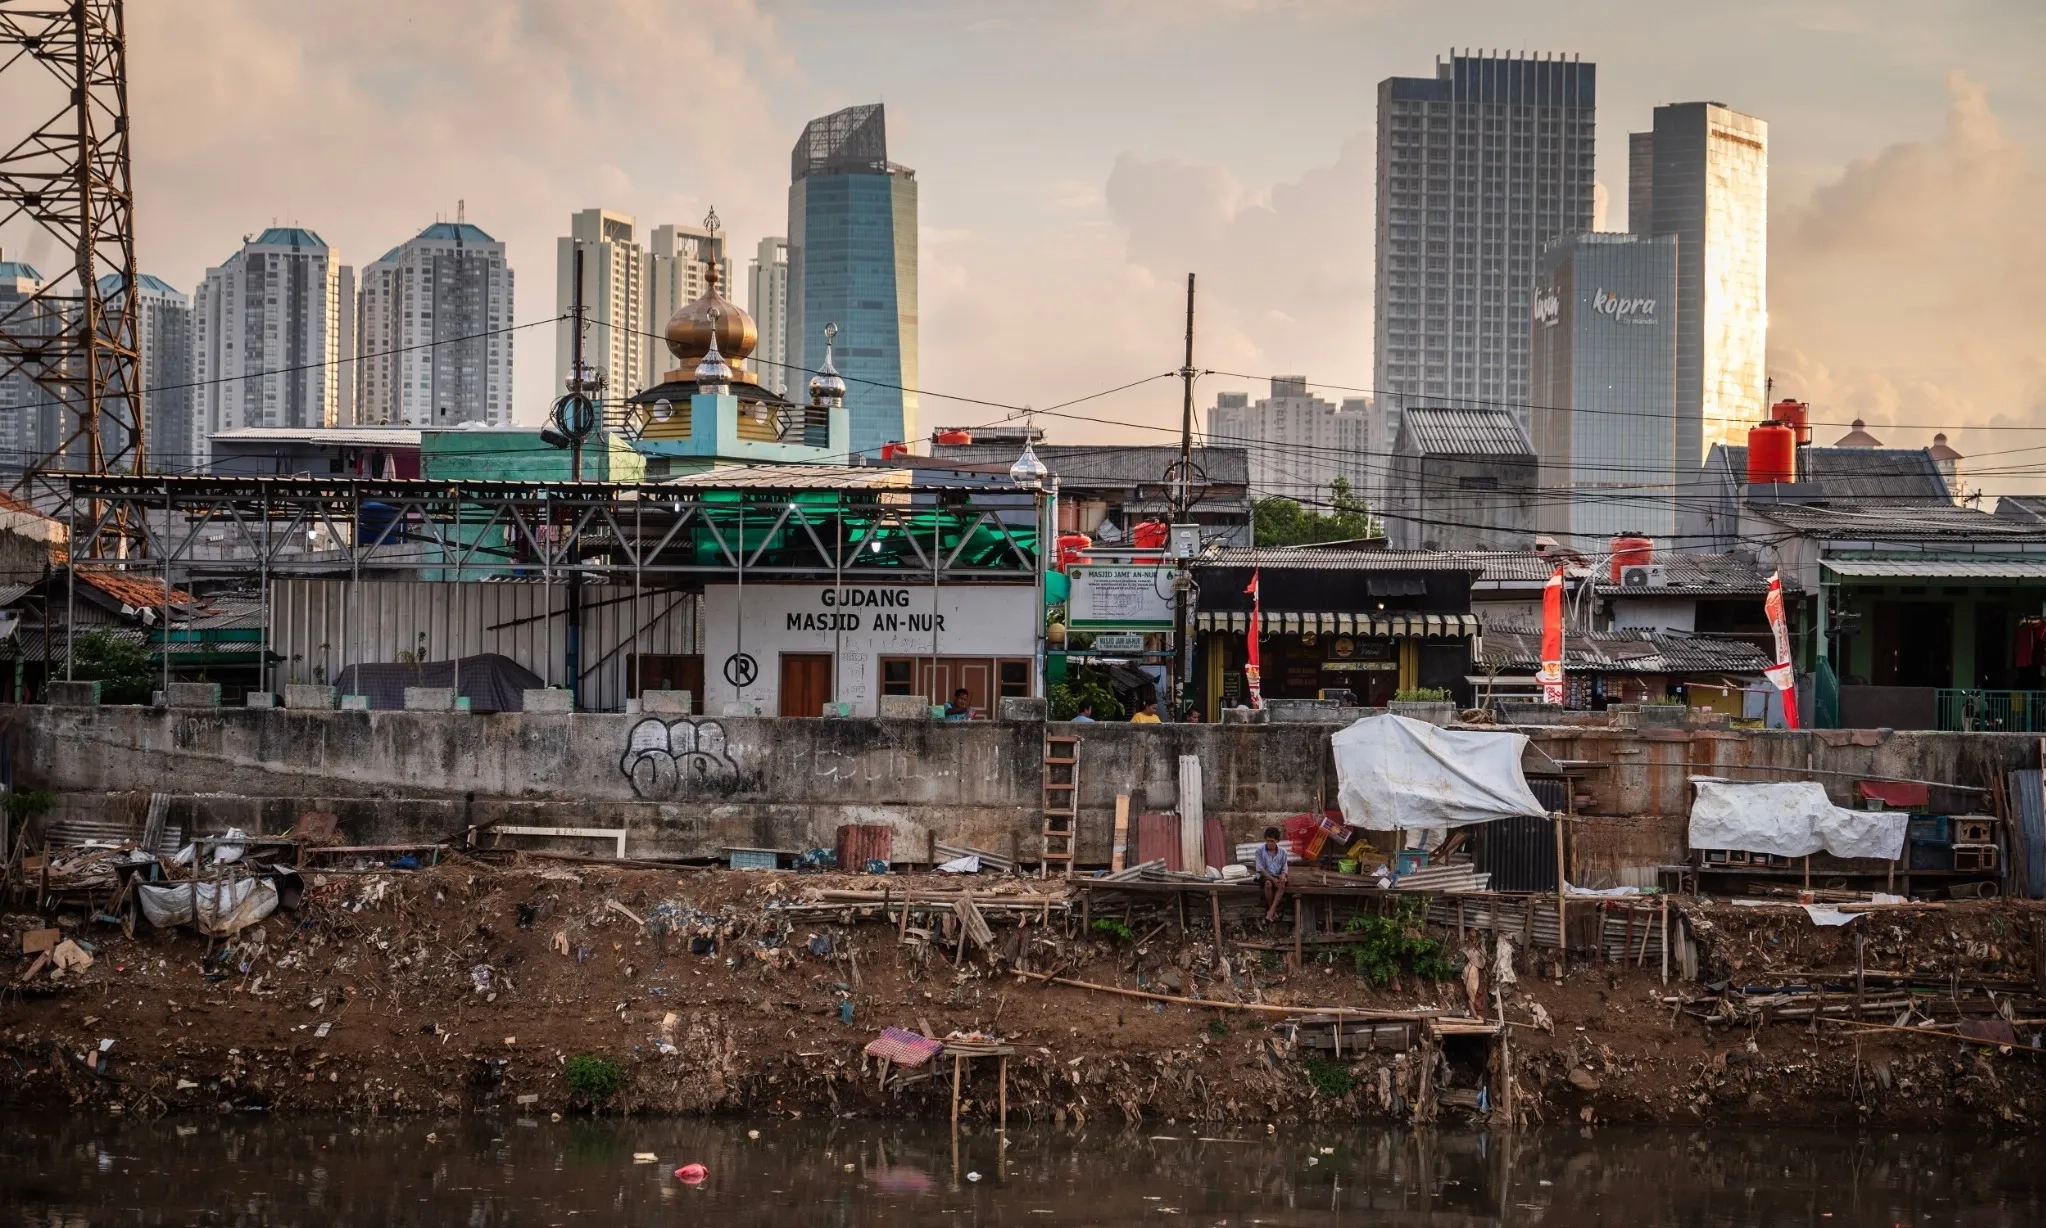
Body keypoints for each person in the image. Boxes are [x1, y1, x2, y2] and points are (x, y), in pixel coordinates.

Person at [1255, 826, 1290, 921]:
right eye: (1268, 841)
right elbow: (1260, 870)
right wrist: (1273, 879)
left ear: (1277, 840)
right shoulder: (1259, 850)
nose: (1269, 843)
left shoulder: (1283, 852)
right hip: (1264, 875)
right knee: (1268, 883)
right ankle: (1272, 910)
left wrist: (1283, 876)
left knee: (1282, 883)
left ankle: (1270, 911)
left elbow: (1284, 869)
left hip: (1276, 875)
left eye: (1272, 841)